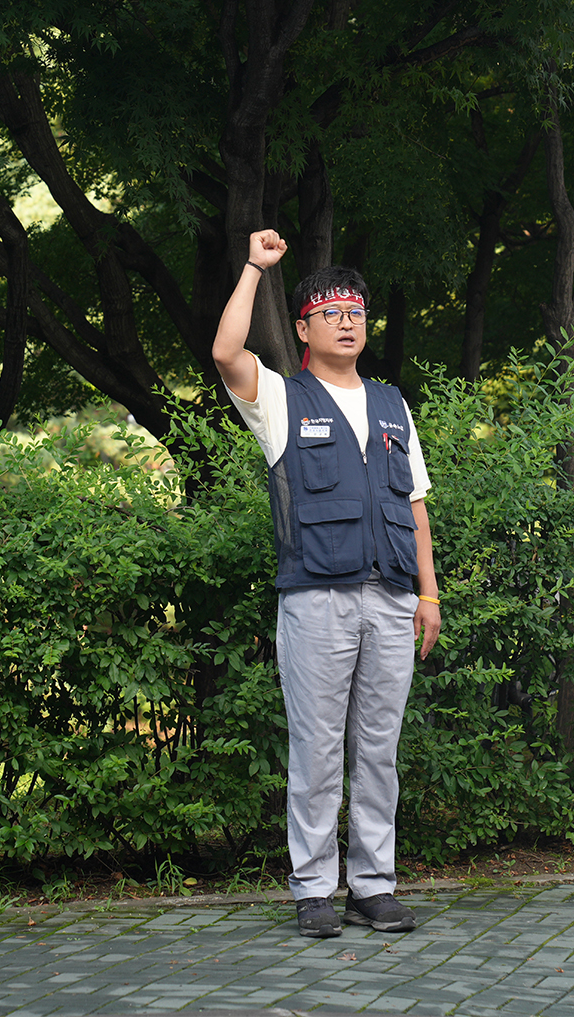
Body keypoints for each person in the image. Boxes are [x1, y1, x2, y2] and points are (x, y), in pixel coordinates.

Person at [211, 230, 442, 936]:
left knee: (379, 750)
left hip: (392, 598)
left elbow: (415, 506)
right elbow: (226, 353)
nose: (348, 323)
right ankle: (313, 890)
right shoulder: (282, 400)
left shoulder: (393, 404)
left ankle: (373, 886)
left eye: (357, 313)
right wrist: (255, 269)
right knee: (316, 750)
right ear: (304, 328)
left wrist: (429, 594)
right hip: (317, 599)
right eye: (331, 313)